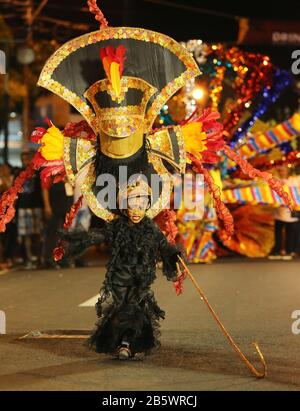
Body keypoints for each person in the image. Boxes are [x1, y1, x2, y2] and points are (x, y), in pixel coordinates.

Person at [60, 178, 183, 360]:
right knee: (128, 307)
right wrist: (78, 241)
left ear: (147, 206)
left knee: (135, 309)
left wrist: (174, 256)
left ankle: (127, 344)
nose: (137, 210)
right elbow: (97, 236)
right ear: (125, 207)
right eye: (133, 205)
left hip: (141, 277)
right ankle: (125, 345)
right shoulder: (117, 226)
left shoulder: (151, 228)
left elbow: (164, 247)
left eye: (142, 205)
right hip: (120, 276)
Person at [16, 152, 44, 269]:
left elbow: (43, 188)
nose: (25, 160)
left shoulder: (38, 171)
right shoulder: (19, 173)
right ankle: (28, 259)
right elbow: (15, 190)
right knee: (25, 235)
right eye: (23, 158)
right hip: (23, 206)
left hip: (36, 205)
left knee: (37, 234)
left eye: (27, 158)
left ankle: (38, 259)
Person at [268, 166, 299, 260]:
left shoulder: (295, 180)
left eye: (283, 170)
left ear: (288, 171)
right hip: (278, 213)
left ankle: (289, 251)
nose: (281, 172)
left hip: (291, 213)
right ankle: (277, 251)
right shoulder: (275, 180)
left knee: (291, 233)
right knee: (278, 233)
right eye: (280, 170)